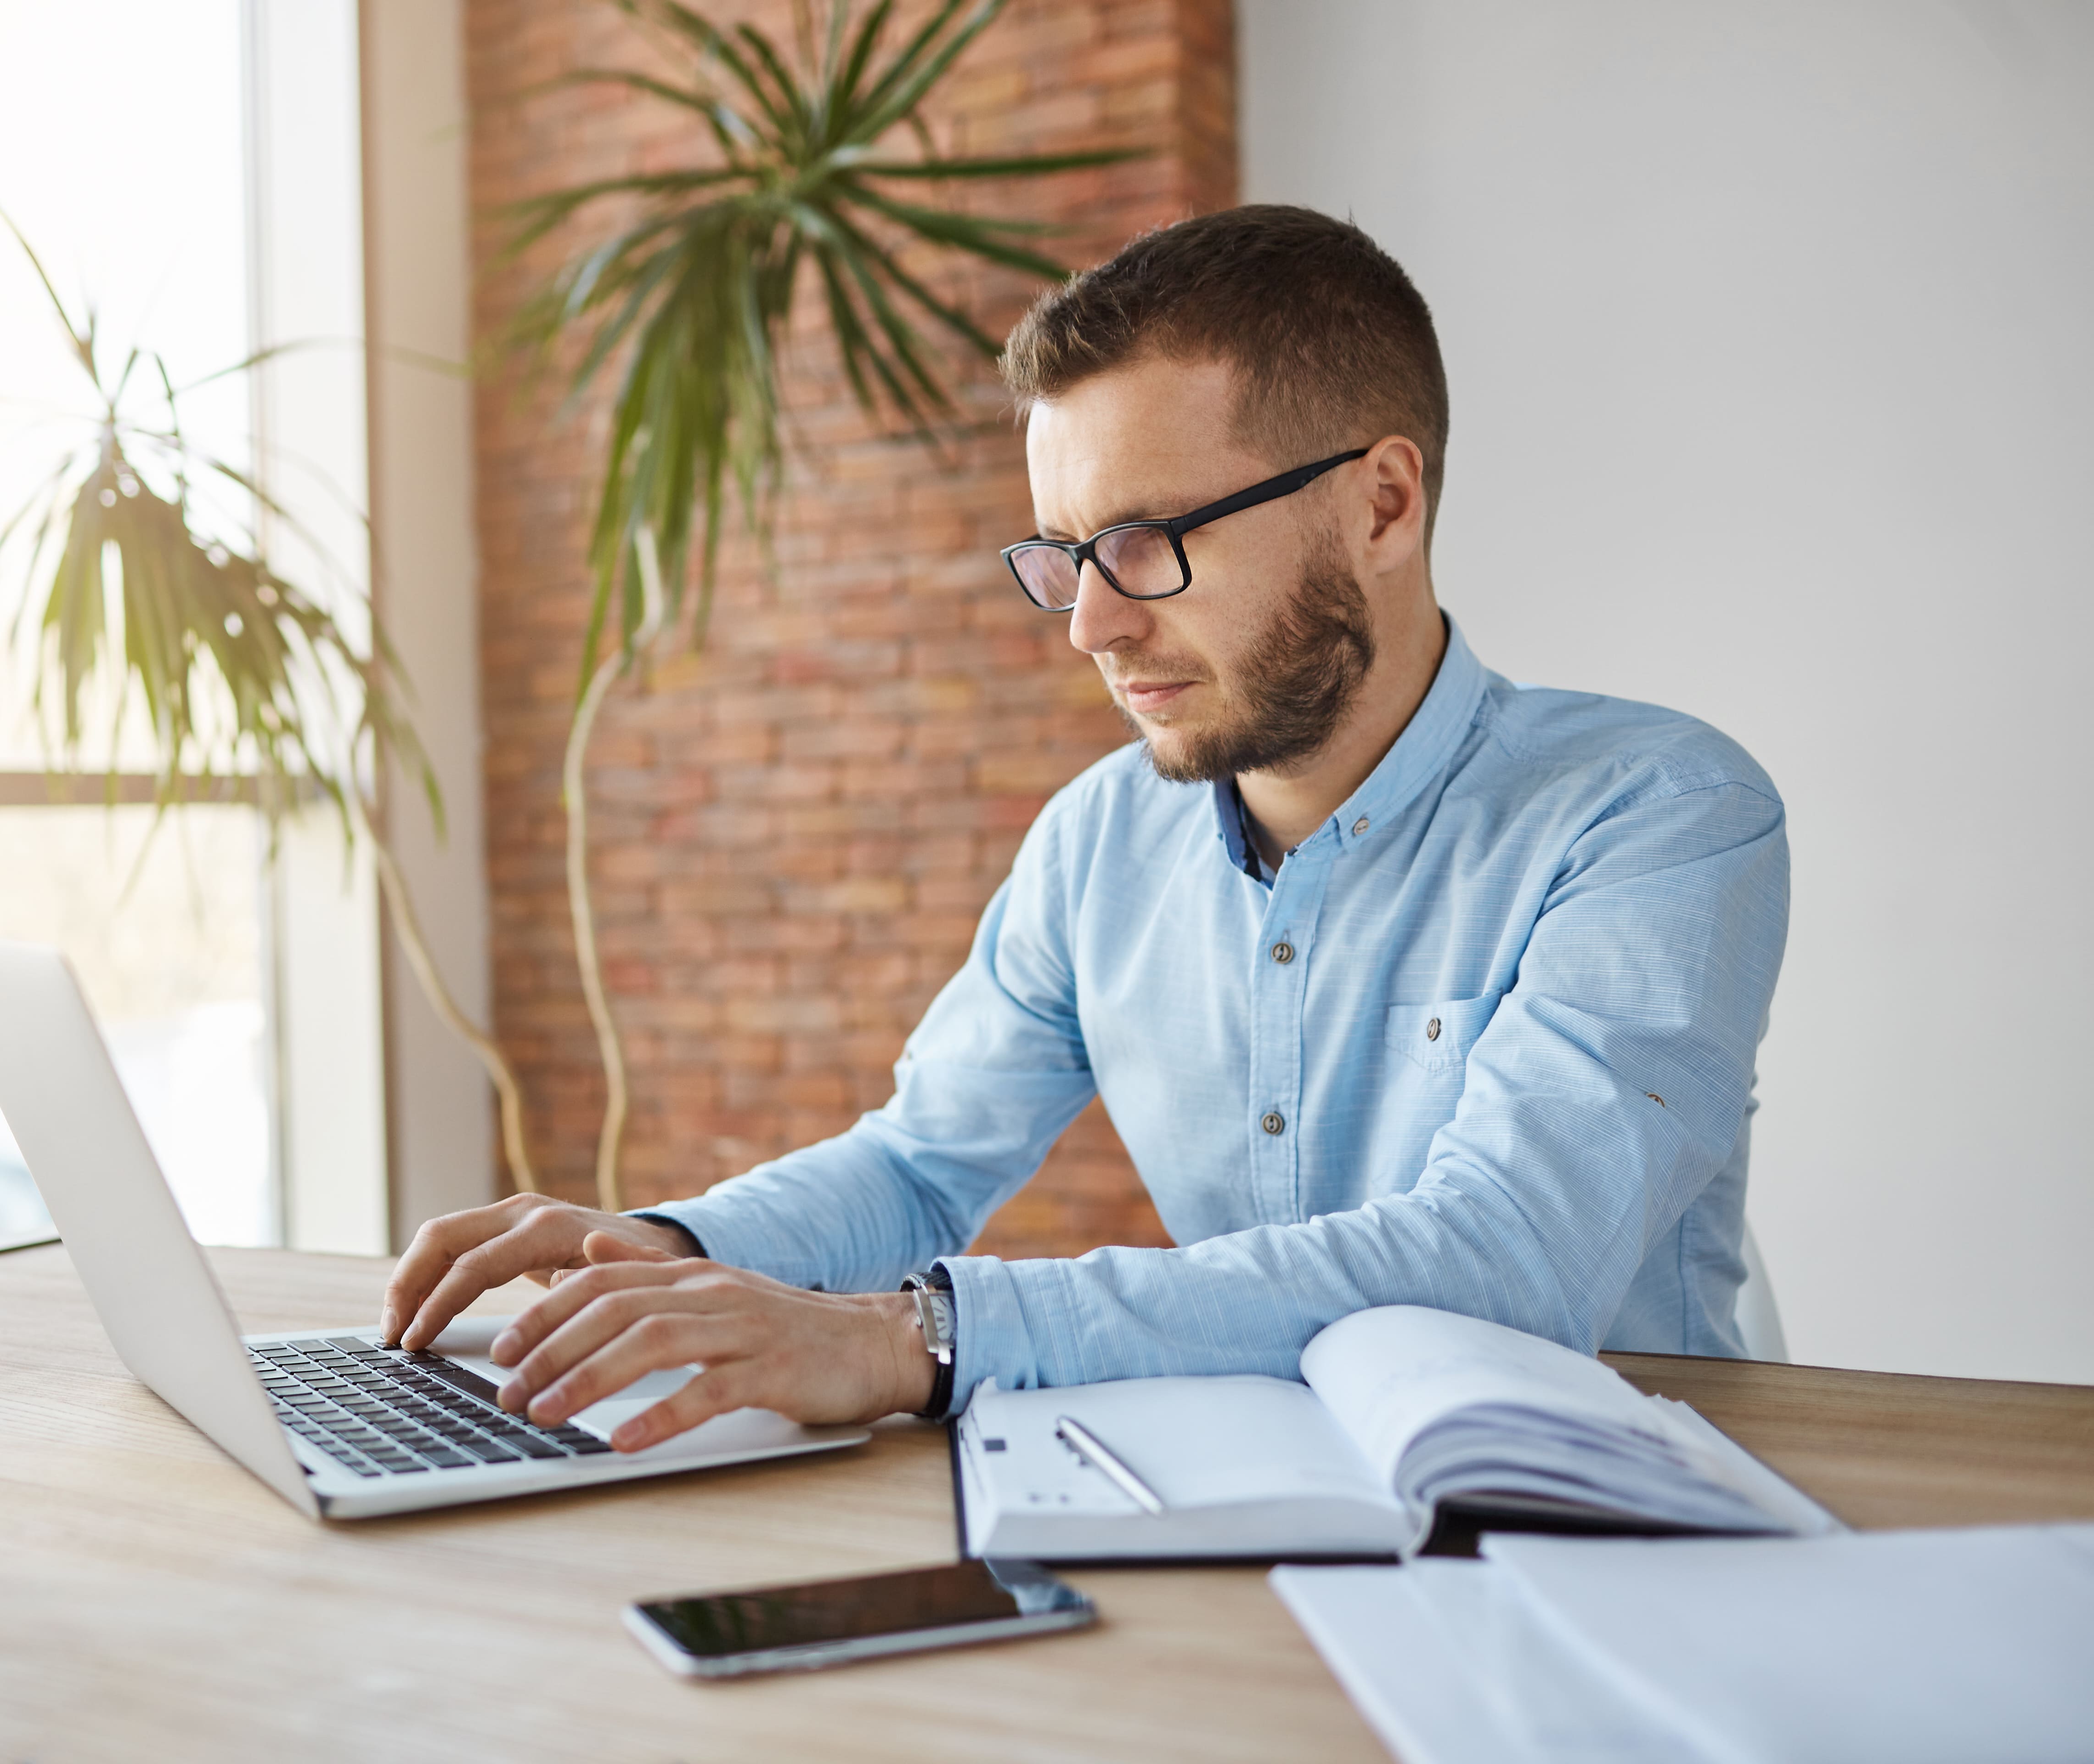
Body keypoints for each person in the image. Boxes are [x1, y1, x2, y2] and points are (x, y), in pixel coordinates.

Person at [381, 205, 1788, 1453]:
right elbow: (922, 1161)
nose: (1094, 627)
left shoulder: (1657, 814)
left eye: (1148, 542)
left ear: (1382, 503)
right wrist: (673, 1246)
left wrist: (915, 1342)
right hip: (1261, 1504)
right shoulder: (1098, 841)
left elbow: (1503, 1261)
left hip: (1626, 1521)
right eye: (1063, 557)